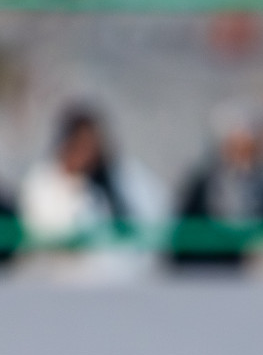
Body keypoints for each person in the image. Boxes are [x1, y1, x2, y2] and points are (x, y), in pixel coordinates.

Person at [19, 102, 166, 280]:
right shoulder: (42, 182)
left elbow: (152, 224)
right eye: (80, 143)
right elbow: (45, 236)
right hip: (62, 291)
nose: (88, 152)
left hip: (125, 289)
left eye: (93, 143)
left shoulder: (126, 176)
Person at [167, 127, 263, 269]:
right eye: (235, 150)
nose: (241, 159)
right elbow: (183, 233)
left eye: (247, 151)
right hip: (206, 267)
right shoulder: (202, 183)